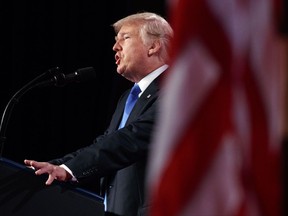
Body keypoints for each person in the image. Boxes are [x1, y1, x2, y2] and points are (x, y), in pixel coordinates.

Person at [24, 12, 173, 216]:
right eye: (115, 40)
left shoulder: (175, 89)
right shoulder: (128, 97)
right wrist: (55, 166)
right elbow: (106, 142)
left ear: (153, 46)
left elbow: (131, 139)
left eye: (125, 38)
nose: (115, 47)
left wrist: (69, 170)